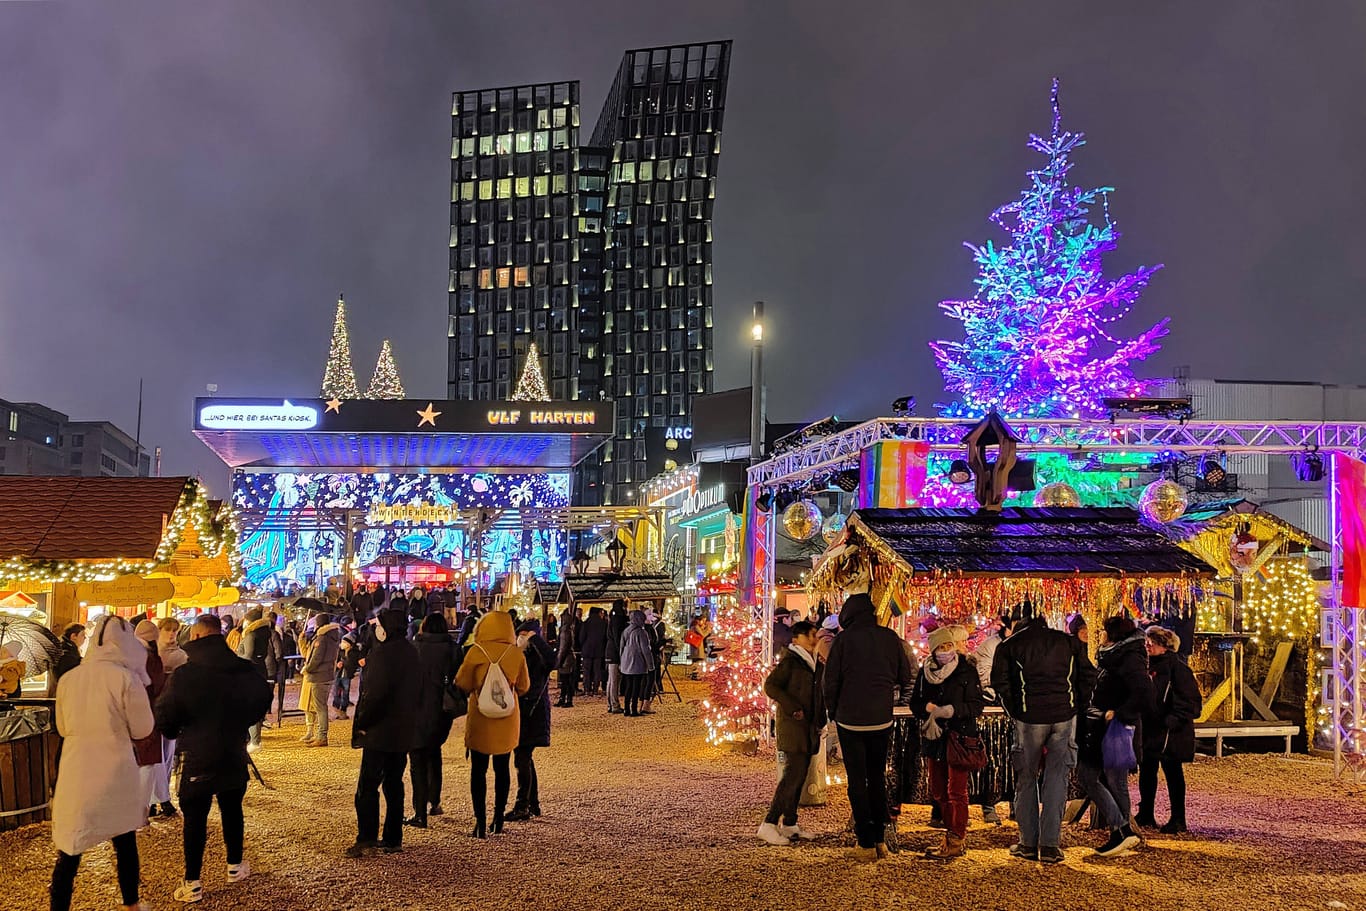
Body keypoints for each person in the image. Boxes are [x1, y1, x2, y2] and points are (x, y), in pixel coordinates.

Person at [155, 614, 273, 904]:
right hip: (233, 750)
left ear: (195, 637)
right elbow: (262, 699)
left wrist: (178, 731)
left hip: (198, 754)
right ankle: (235, 865)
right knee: (232, 808)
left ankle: (193, 881)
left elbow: (165, 716)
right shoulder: (243, 670)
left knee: (195, 818)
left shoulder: (185, 675)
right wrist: (242, 723)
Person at [49, 615, 155, 911]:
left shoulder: (70, 678)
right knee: (124, 840)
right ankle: (131, 904)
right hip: (115, 767)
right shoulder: (125, 678)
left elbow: (62, 726)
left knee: (70, 848)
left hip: (76, 767)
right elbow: (143, 728)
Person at [992, 604, 1095, 865]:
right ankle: (1050, 845)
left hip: (1029, 718)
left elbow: (1000, 683)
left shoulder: (1010, 646)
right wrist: (1076, 706)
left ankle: (1028, 843)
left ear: (1018, 620)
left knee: (1026, 779)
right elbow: (1088, 676)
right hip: (1063, 716)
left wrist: (1015, 710)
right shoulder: (1068, 643)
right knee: (1056, 779)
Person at [823, 580, 914, 862]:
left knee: (857, 780)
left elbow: (831, 680)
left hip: (851, 720)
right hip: (881, 718)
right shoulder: (889, 638)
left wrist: (832, 711)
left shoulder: (842, 642)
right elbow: (905, 674)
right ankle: (880, 839)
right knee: (876, 778)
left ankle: (864, 840)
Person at [348, 609, 421, 857]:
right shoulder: (412, 652)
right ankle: (393, 837)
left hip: (379, 731)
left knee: (368, 786)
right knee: (394, 782)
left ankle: (366, 838)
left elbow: (375, 696)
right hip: (402, 730)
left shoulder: (382, 655)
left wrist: (363, 722)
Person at [1079, 614, 1153, 857]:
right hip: (1104, 725)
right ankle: (1122, 833)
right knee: (1109, 780)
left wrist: (1119, 714)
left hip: (1114, 728)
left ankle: (1121, 830)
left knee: (1100, 777)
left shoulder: (1128, 659)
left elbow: (1144, 692)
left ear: (1111, 634)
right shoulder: (1115, 657)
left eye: (1101, 631)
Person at [912, 625, 985, 860]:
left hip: (960, 736)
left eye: (948, 646)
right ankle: (950, 833)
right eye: (941, 647)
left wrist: (952, 710)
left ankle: (956, 837)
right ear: (933, 651)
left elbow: (976, 705)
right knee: (938, 789)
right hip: (935, 737)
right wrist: (928, 710)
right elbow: (916, 702)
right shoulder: (925, 673)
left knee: (957, 790)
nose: (945, 651)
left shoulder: (967, 670)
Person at [456, 611, 531, 838]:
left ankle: (479, 822)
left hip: (481, 716)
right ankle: (498, 818)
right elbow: (524, 686)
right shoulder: (516, 653)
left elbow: (462, 682)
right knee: (502, 768)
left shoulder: (475, 652)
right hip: (507, 718)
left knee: (478, 771)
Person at [757, 620, 824, 847]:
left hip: (808, 727)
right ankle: (769, 823)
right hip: (793, 727)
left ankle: (790, 823)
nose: (814, 639)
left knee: (799, 776)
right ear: (797, 639)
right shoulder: (791, 662)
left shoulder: (813, 662)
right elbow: (771, 686)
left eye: (815, 635)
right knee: (791, 777)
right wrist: (793, 708)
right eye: (810, 635)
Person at [1137, 626, 1200, 834]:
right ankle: (1146, 811)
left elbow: (1190, 701)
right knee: (1147, 770)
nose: (1149, 645)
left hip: (1171, 732)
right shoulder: (1145, 666)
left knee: (1173, 773)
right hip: (1152, 728)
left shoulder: (1178, 669)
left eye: (1153, 642)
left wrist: (1173, 719)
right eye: (1147, 641)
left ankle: (1178, 818)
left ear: (1165, 646)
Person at [406, 613, 459, 828]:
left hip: (416, 709)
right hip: (441, 709)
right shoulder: (452, 649)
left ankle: (419, 812)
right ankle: (434, 801)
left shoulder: (413, 648)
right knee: (434, 753)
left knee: (417, 760)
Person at [507, 618, 554, 821]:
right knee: (525, 757)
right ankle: (532, 803)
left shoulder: (537, 656)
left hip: (532, 712)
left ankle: (523, 805)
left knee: (522, 757)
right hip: (526, 710)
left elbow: (553, 662)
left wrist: (536, 640)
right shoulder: (521, 655)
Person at [131, 620, 173, 820]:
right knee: (149, 762)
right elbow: (155, 686)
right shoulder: (151, 658)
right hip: (149, 714)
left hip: (135, 713)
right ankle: (143, 809)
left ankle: (155, 802)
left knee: (148, 760)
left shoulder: (131, 656)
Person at [238, 608, 278, 752]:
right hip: (260, 671)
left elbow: (248, 655)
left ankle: (254, 741)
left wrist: (237, 661)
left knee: (249, 707)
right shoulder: (264, 633)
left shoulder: (251, 635)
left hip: (249, 673)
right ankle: (255, 739)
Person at [300, 612, 341, 747]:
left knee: (320, 708)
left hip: (319, 675)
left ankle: (322, 736)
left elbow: (316, 658)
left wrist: (308, 668)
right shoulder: (333, 637)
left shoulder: (322, 638)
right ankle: (320, 735)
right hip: (327, 674)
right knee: (321, 706)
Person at [618, 609, 655, 717]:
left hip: (626, 661)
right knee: (636, 686)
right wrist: (650, 665)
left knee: (628, 686)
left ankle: (626, 709)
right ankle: (634, 709)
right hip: (637, 662)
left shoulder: (626, 630)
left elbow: (621, 647)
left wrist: (622, 660)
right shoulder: (641, 632)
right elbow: (646, 650)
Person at [334, 617, 363, 720]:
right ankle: (337, 708)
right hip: (339, 674)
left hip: (346, 675)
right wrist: (338, 663)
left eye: (344, 642)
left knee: (345, 693)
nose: (342, 644)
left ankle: (343, 710)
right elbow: (335, 660)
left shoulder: (353, 653)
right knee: (336, 692)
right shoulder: (340, 651)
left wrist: (344, 662)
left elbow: (352, 664)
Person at [48, 623, 86, 696]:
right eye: (82, 635)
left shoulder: (64, 650)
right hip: (65, 696)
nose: (85, 638)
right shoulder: (67, 655)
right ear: (73, 636)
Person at [579, 606, 609, 697]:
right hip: (599, 650)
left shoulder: (586, 623)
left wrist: (583, 646)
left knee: (586, 671)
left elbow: (581, 637)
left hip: (587, 650)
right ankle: (596, 689)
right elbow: (605, 637)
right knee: (597, 671)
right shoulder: (603, 623)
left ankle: (587, 689)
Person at [554, 607, 580, 708]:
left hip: (566, 659)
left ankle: (567, 699)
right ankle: (564, 698)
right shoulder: (569, 629)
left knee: (566, 680)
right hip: (568, 658)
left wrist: (558, 661)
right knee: (566, 680)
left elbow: (563, 648)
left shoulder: (565, 630)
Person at [605, 600, 628, 714]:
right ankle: (614, 704)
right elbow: (617, 637)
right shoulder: (618, 619)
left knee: (611, 679)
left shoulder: (612, 617)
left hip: (610, 651)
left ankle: (610, 703)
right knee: (614, 679)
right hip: (615, 652)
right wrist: (621, 652)